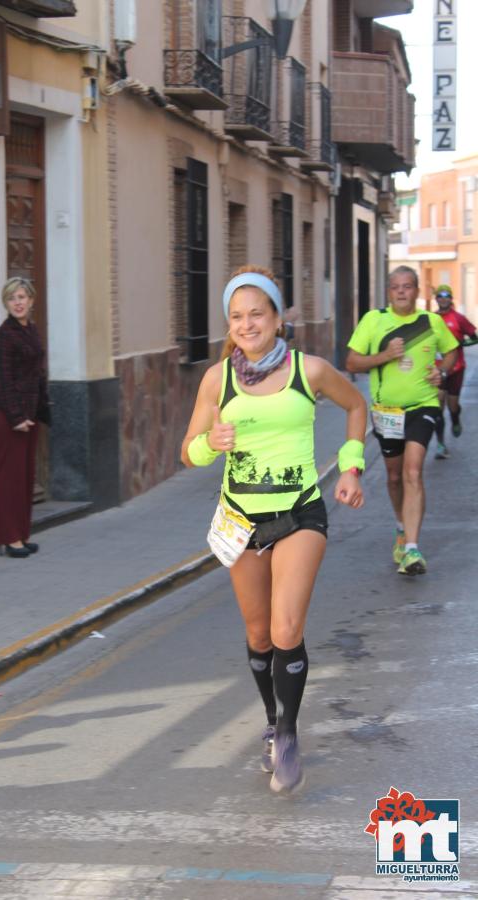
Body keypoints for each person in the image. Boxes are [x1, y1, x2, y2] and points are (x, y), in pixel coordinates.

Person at [181, 265, 367, 794]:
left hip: (301, 513)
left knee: (287, 628)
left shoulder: (311, 370)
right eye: (236, 316)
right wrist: (209, 444)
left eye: (256, 313)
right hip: (242, 520)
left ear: (278, 318)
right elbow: (188, 452)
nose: (247, 324)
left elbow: (356, 406)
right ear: (228, 324)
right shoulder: (218, 379)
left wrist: (351, 465)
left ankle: (287, 732)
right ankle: (271, 718)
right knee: (259, 633)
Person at [346, 266, 458, 576]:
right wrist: (384, 356)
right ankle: (401, 527)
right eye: (395, 286)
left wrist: (443, 372)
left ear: (417, 291)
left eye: (407, 286)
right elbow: (352, 361)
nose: (401, 292)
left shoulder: (431, 322)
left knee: (413, 470)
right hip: (387, 412)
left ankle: (412, 548)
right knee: (394, 477)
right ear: (388, 291)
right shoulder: (374, 321)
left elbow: (452, 350)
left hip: (423, 405)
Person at [0, 277, 51, 558]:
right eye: (12, 299)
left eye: (22, 297)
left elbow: (36, 374)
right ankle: (9, 540)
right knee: (10, 477)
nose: (18, 302)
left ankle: (22, 534)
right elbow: (4, 382)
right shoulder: (3, 337)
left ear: (31, 300)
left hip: (29, 413)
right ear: (6, 304)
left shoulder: (30, 329)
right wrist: (16, 418)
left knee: (25, 476)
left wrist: (40, 410)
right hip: (4, 413)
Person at [432, 284, 477, 459]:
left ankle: (456, 419)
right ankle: (441, 445)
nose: (443, 298)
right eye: (440, 296)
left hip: (457, 369)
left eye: (447, 295)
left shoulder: (459, 318)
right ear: (436, 299)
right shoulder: (431, 318)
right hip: (438, 369)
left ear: (451, 299)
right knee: (438, 406)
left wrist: (460, 345)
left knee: (452, 406)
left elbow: (475, 338)